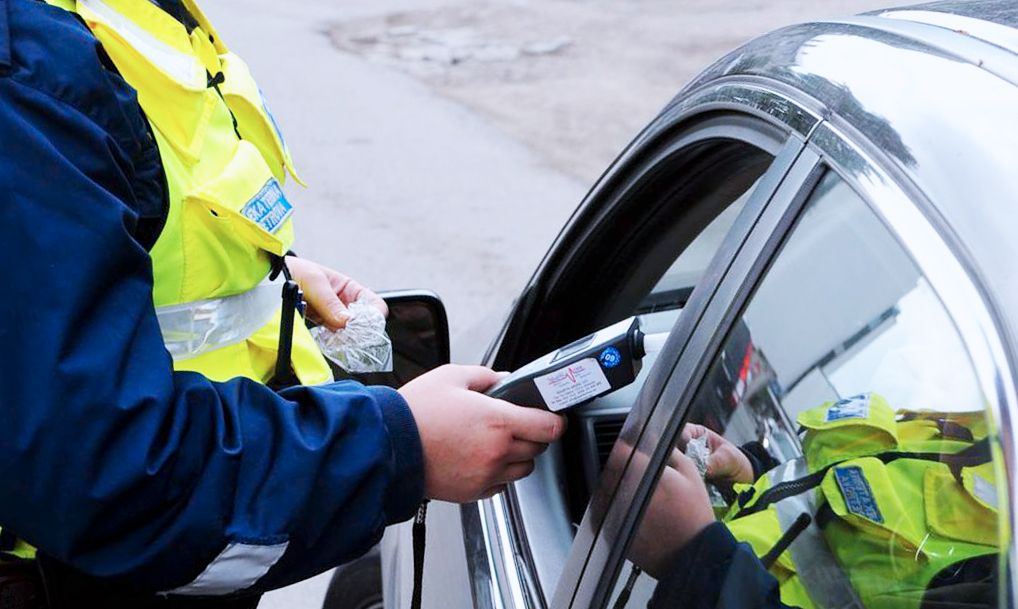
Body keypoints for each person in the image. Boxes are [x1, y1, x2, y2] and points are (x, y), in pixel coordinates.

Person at [0, 0, 565, 607]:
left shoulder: (124, 16)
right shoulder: (30, 73)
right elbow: (103, 475)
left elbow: (121, 218)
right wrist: (398, 447)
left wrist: (258, 275)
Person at [629, 395, 999, 609]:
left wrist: (701, 560)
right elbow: (815, 501)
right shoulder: (981, 422)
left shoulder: (1003, 582)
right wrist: (748, 474)